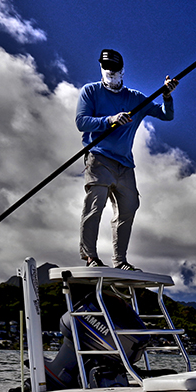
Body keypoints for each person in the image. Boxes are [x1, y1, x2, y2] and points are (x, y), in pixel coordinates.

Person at [76, 49, 178, 271]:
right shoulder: (90, 92)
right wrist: (110, 119)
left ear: (122, 71)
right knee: (95, 204)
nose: (110, 73)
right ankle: (90, 256)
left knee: (129, 207)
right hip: (99, 157)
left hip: (125, 164)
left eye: (114, 70)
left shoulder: (135, 98)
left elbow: (166, 115)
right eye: (106, 69)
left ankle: (120, 261)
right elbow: (81, 122)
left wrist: (167, 95)